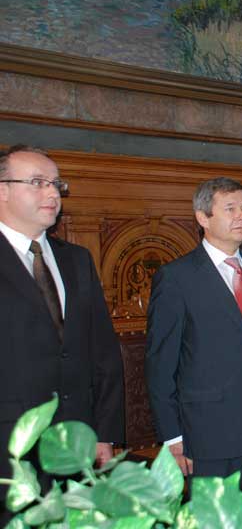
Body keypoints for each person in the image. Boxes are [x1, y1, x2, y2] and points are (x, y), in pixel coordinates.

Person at [146, 177, 242, 496]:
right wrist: (172, 436)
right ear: (203, 217)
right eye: (231, 208)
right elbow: (161, 365)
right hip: (209, 434)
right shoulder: (176, 277)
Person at [0, 145, 123, 523]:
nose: (53, 193)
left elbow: (102, 352)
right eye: (38, 183)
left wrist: (104, 432)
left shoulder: (77, 259)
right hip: (12, 450)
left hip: (78, 444)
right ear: (2, 190)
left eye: (56, 184)